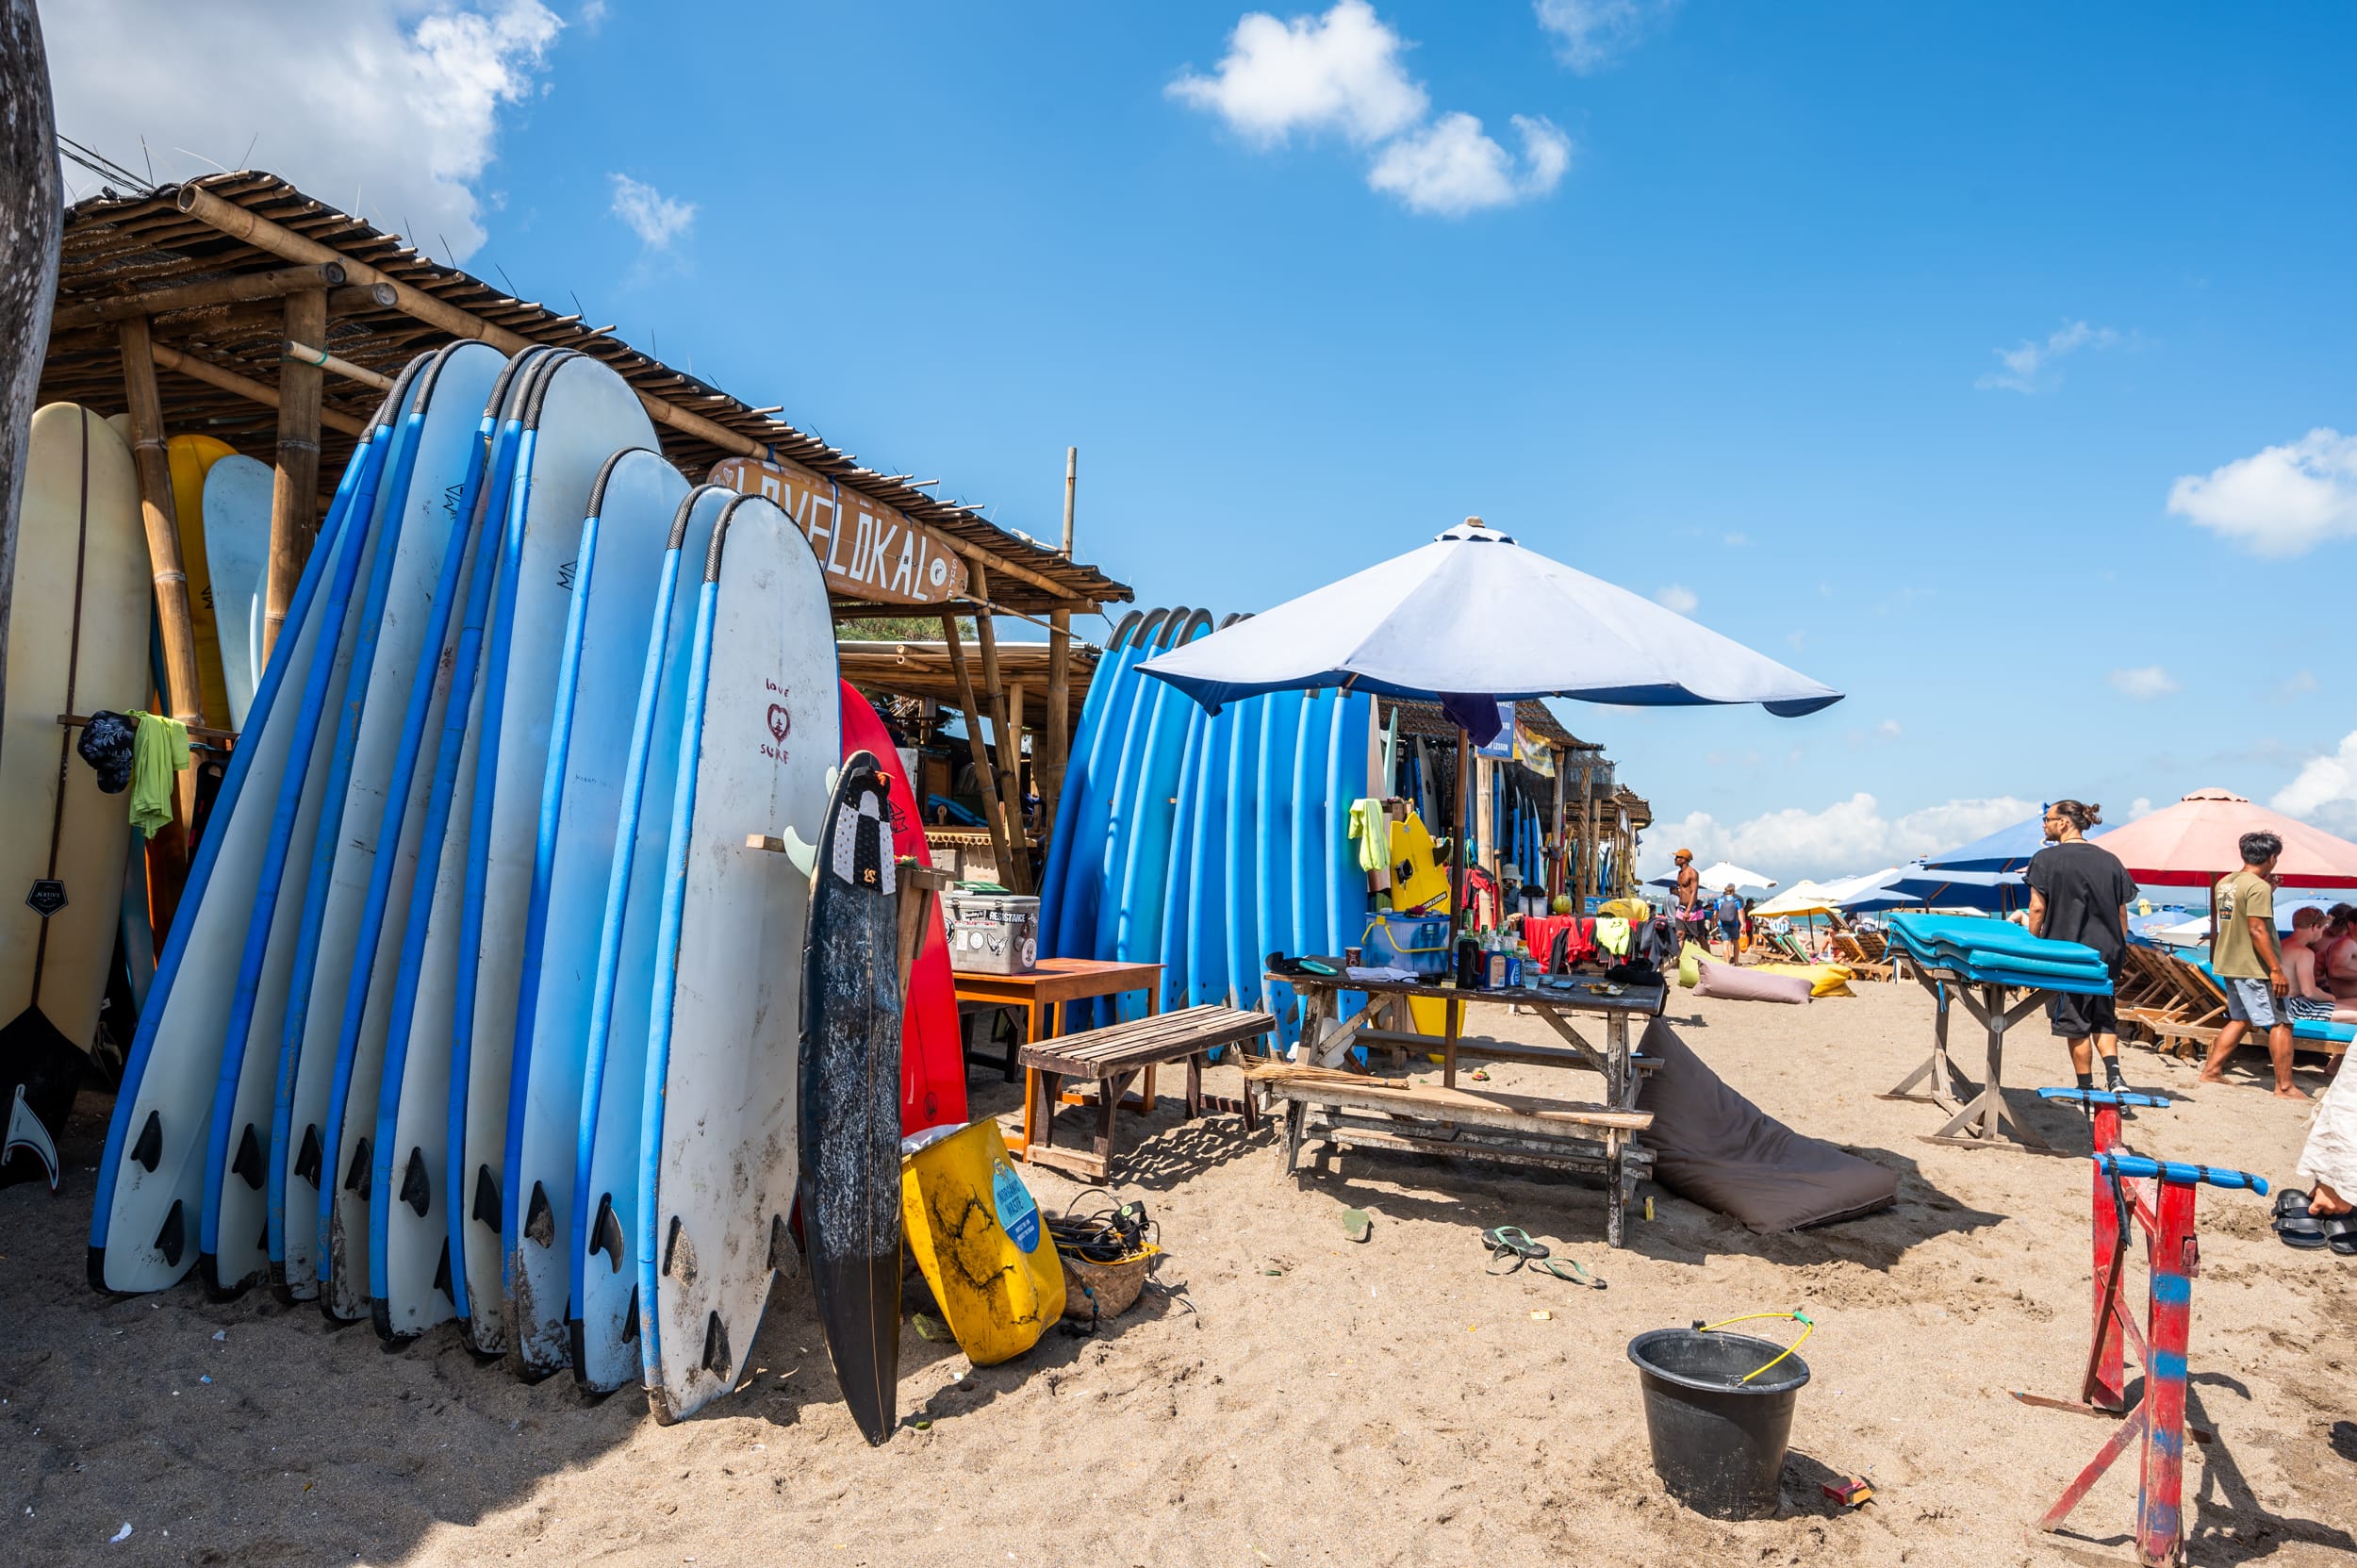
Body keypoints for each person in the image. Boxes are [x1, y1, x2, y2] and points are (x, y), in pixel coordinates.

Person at [2025, 800, 2137, 1093]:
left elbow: (2037, 908)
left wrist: (2031, 946)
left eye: (2048, 819)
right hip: (2106, 954)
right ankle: (2115, 1077)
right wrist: (2119, 948)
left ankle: (2085, 1087)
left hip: (2066, 955)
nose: (2044, 824)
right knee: (2103, 1017)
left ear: (2064, 823)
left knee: (2075, 1024)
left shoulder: (2045, 859)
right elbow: (2121, 913)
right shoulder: (2111, 860)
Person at [2198, 831, 2306, 1099]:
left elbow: (2236, 916)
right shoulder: (2256, 887)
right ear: (2272, 858)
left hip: (2229, 961)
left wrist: (2268, 889)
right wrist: (2276, 969)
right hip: (2253, 966)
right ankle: (2284, 1086)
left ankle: (2211, 1070)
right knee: (2282, 1023)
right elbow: (2256, 929)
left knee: (2241, 1018)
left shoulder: (2226, 882)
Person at [1713, 885, 1742, 957]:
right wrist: (1742, 924)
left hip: (1722, 924)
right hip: (1734, 924)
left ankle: (1727, 962)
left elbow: (1715, 913)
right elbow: (1740, 912)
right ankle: (1736, 961)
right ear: (1733, 892)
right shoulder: (1736, 901)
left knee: (1725, 943)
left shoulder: (1719, 900)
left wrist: (1715, 921)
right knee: (1736, 942)